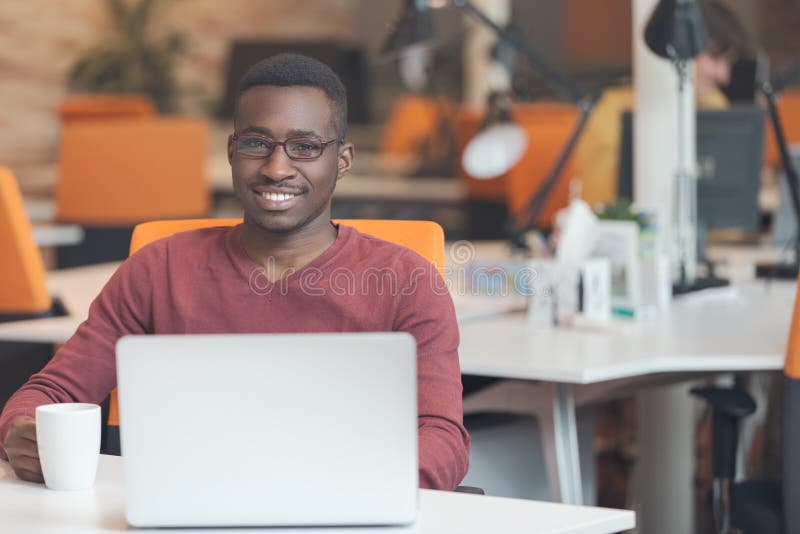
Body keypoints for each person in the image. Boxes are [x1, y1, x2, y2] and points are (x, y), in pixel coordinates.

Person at [0, 54, 470, 490]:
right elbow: (52, 390)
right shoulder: (158, 269)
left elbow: (443, 439)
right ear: (231, 150)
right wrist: (21, 431)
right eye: (256, 143)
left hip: (346, 507)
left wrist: (345, 489)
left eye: (305, 147)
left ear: (341, 161)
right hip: (187, 504)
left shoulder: (407, 281)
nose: (276, 167)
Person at [576, 0, 749, 208]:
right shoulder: (608, 111)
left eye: (728, 62)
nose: (724, 75)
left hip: (708, 237)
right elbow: (598, 205)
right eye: (714, 58)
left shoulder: (714, 104)